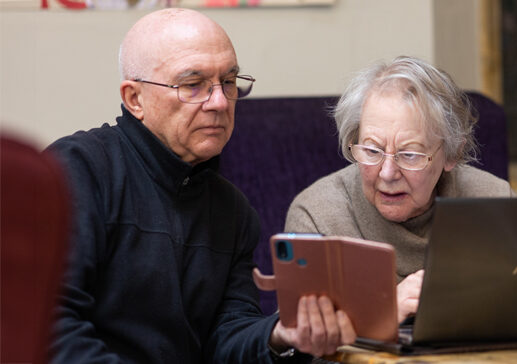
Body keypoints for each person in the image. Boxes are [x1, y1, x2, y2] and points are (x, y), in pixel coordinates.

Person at [46, 8, 354, 363]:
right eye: (193, 85)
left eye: (228, 82)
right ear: (135, 99)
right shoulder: (77, 171)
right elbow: (49, 327)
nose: (221, 102)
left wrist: (278, 334)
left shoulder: (233, 210)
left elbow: (227, 337)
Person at [284, 56, 515, 322]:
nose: (387, 173)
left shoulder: (495, 203)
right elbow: (303, 348)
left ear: (452, 153)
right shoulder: (318, 218)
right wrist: (385, 312)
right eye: (372, 150)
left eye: (410, 154)